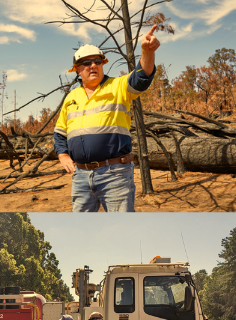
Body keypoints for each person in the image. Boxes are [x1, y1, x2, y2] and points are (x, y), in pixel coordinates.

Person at [54, 25, 160, 212]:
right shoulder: (71, 98)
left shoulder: (118, 86)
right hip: (80, 177)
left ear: (102, 64)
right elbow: (60, 132)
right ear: (77, 69)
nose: (93, 65)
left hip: (115, 174)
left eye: (97, 61)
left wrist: (146, 52)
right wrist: (62, 155)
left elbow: (141, 78)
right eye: (86, 63)